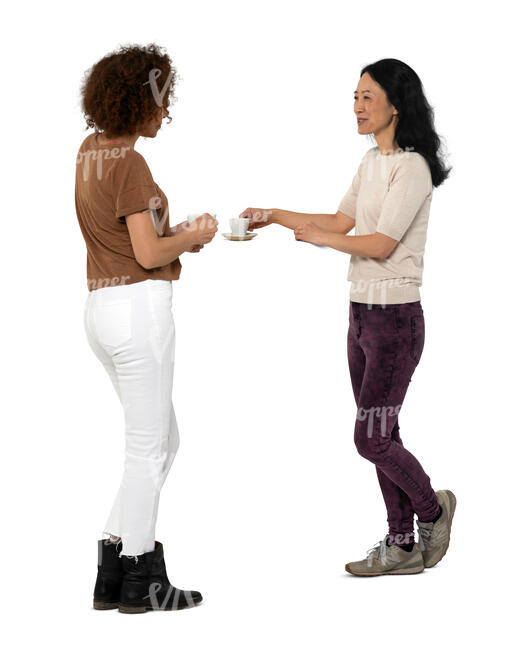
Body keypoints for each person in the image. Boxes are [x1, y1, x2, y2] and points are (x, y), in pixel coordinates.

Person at [239, 58, 456, 577]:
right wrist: (273, 215)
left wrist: (323, 241)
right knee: (386, 433)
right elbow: (339, 220)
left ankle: (434, 511)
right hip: (360, 316)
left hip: (396, 321)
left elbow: (381, 244)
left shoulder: (413, 167)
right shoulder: (371, 163)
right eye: (353, 96)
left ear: (395, 104)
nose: (357, 106)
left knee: (371, 439)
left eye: (367, 97)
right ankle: (402, 545)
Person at [76, 43, 218, 611]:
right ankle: (143, 579)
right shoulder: (131, 164)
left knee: (162, 442)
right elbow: (147, 249)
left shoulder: (90, 151)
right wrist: (198, 233)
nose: (166, 111)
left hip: (101, 309)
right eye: (162, 100)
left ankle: (111, 567)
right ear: (141, 100)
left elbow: (126, 239)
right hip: (138, 310)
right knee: (148, 447)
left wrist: (172, 235)